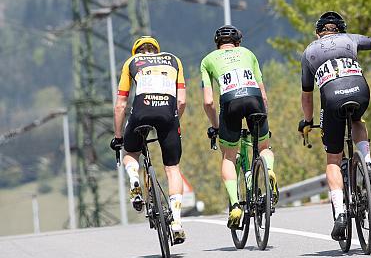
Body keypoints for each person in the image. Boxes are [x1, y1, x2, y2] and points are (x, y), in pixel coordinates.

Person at [297, 11, 371, 240]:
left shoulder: (309, 52)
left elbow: (307, 96)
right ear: (340, 28)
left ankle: (340, 213)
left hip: (331, 96)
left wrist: (308, 122)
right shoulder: (349, 39)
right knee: (357, 120)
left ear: (318, 32)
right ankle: (367, 161)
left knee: (333, 159)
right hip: (359, 90)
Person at [110, 36, 187, 244]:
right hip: (168, 112)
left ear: (137, 52)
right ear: (157, 51)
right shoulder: (173, 60)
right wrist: (174, 121)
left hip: (141, 111)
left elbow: (120, 105)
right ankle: (177, 221)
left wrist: (118, 137)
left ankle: (134, 177)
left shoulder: (131, 63)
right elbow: (181, 100)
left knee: (131, 153)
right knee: (173, 168)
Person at [200, 25, 276, 229]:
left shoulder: (208, 60)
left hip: (230, 101)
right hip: (254, 99)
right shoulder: (248, 53)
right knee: (264, 147)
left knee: (229, 157)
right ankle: (268, 170)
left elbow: (208, 102)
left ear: (217, 44)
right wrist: (264, 120)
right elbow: (264, 94)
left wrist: (216, 127)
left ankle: (235, 205)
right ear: (238, 43)